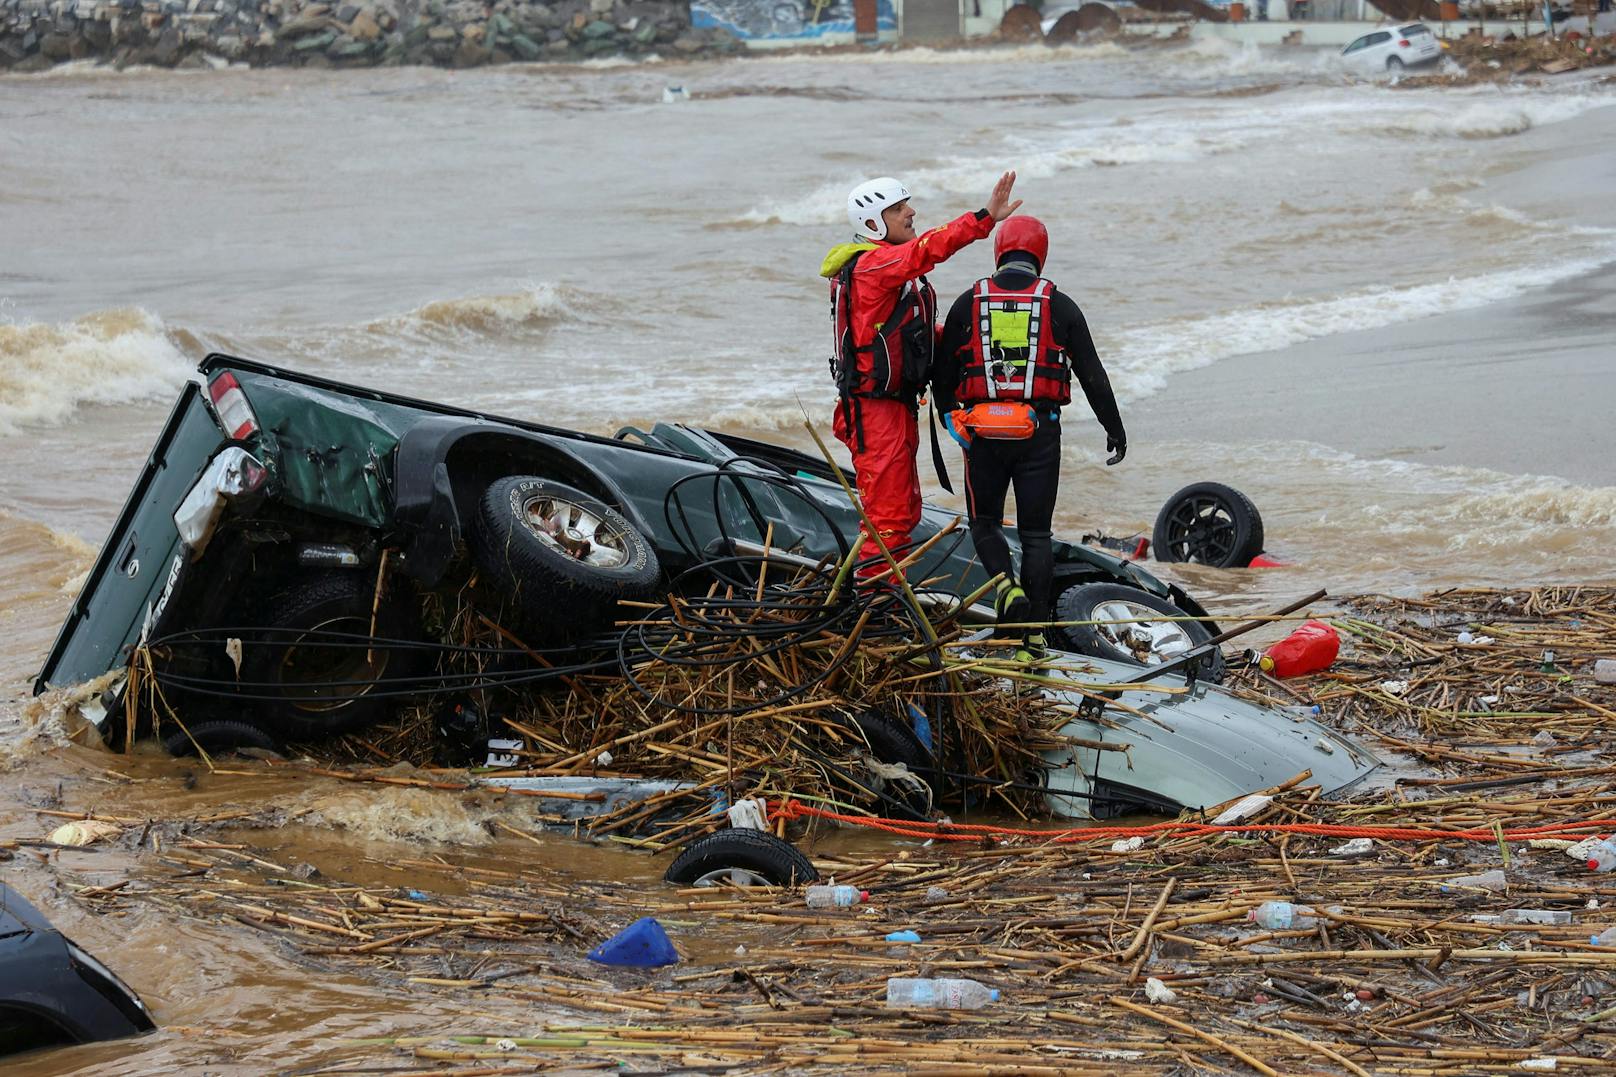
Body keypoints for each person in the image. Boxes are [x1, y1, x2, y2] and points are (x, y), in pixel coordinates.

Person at [931, 215, 1126, 658]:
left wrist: (950, 418)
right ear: (1041, 253)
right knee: (1036, 536)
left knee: (984, 525)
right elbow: (1092, 375)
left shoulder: (969, 302)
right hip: (1040, 434)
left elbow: (942, 374)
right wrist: (1113, 429)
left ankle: (1004, 588)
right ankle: (1033, 640)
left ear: (999, 250)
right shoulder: (1060, 306)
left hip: (983, 437)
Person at [821, 170, 1021, 571]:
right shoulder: (872, 267)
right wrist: (983, 218)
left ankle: (884, 594)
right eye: (898, 209)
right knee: (889, 520)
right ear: (874, 223)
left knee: (905, 510)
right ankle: (878, 605)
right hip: (875, 414)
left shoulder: (885, 269)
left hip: (895, 408)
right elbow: (925, 251)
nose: (911, 212)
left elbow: (909, 333)